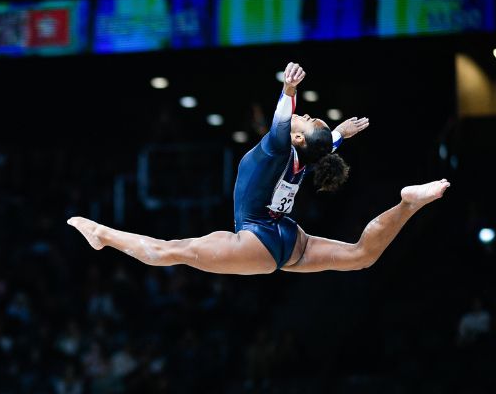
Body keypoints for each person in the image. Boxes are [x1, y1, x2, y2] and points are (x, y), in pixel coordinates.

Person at [69, 61, 450, 274]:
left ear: (298, 137)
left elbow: (284, 124)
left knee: (171, 251)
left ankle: (101, 233)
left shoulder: (278, 148)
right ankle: (407, 205)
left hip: (258, 238)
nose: (307, 116)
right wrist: (337, 134)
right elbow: (322, 144)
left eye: (309, 120)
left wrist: (288, 92)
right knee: (361, 255)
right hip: (289, 238)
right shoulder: (308, 154)